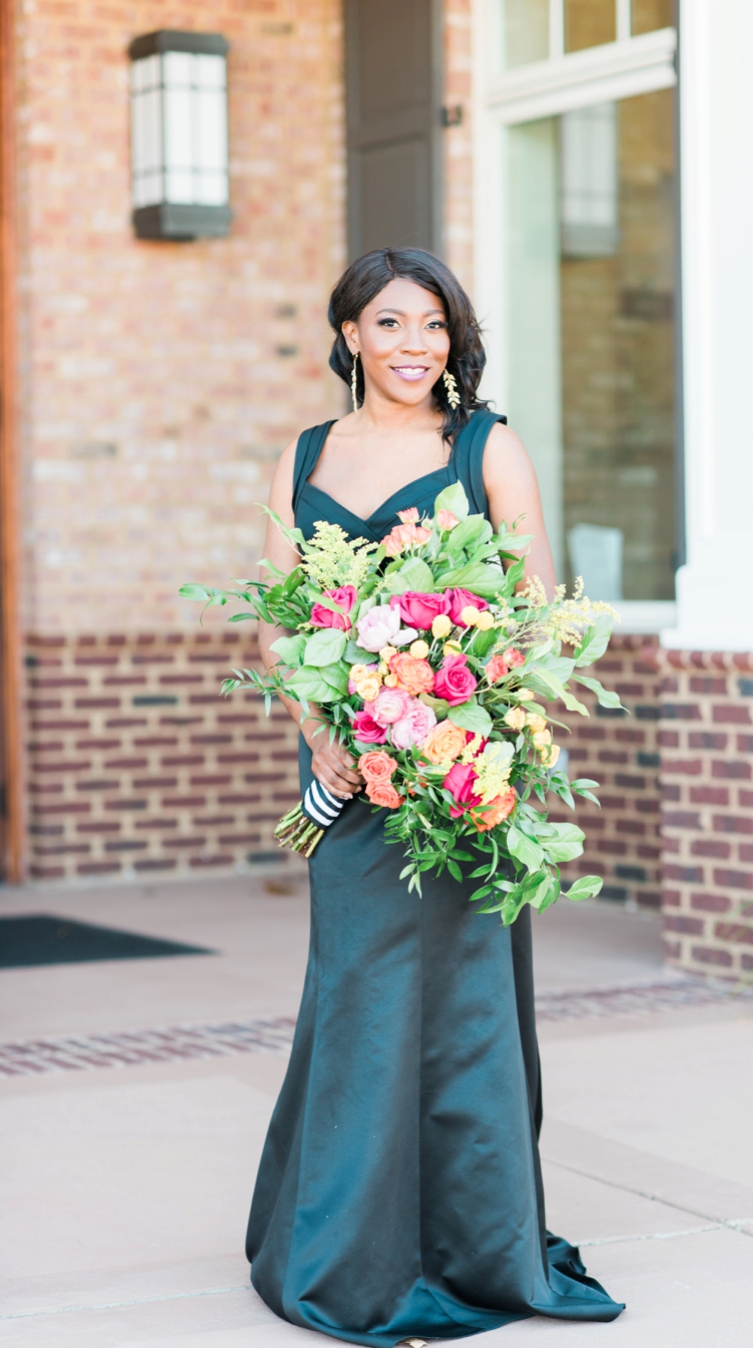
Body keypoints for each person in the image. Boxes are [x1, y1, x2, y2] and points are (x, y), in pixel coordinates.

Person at [246, 248, 624, 1346]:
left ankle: (475, 1245)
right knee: (357, 999)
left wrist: (457, 715)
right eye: (391, 323)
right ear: (350, 333)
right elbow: (278, 619)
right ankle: (342, 1255)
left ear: (456, 342)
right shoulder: (304, 454)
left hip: (462, 770)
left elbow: (536, 609)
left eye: (436, 328)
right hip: (348, 775)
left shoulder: (485, 448)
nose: (416, 346)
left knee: (461, 1009)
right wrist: (322, 735)